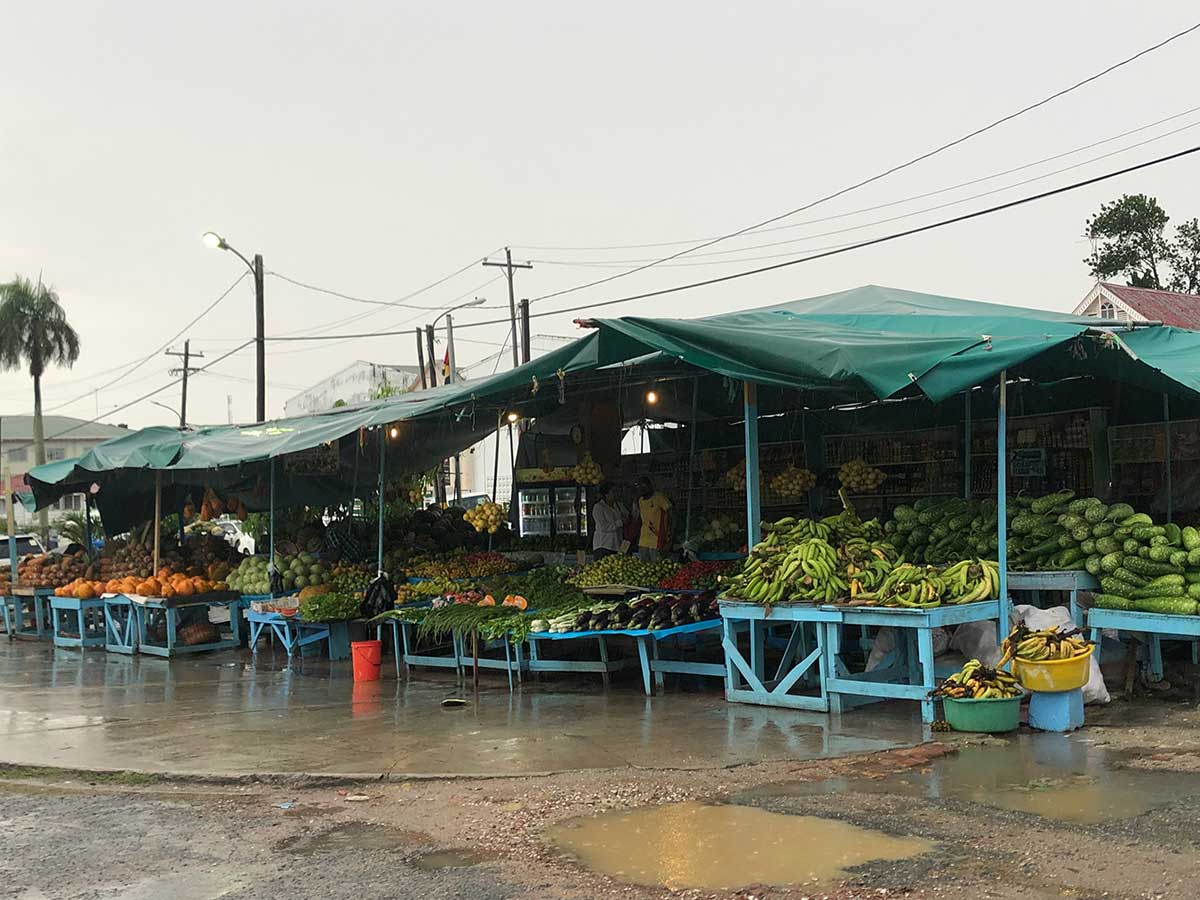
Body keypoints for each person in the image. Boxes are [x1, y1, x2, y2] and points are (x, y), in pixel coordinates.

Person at [635, 476, 673, 561]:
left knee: (657, 567)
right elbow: (642, 520)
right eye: (639, 487)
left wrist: (669, 536)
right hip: (643, 541)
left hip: (657, 540)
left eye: (643, 486)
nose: (641, 489)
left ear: (650, 486)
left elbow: (671, 514)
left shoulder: (659, 497)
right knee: (644, 567)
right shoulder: (640, 501)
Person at [590, 483, 625, 559]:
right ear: (606, 494)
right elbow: (603, 527)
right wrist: (620, 522)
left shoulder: (618, 505)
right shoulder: (598, 507)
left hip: (617, 545)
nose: (616, 494)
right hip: (603, 546)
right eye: (613, 491)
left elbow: (627, 516)